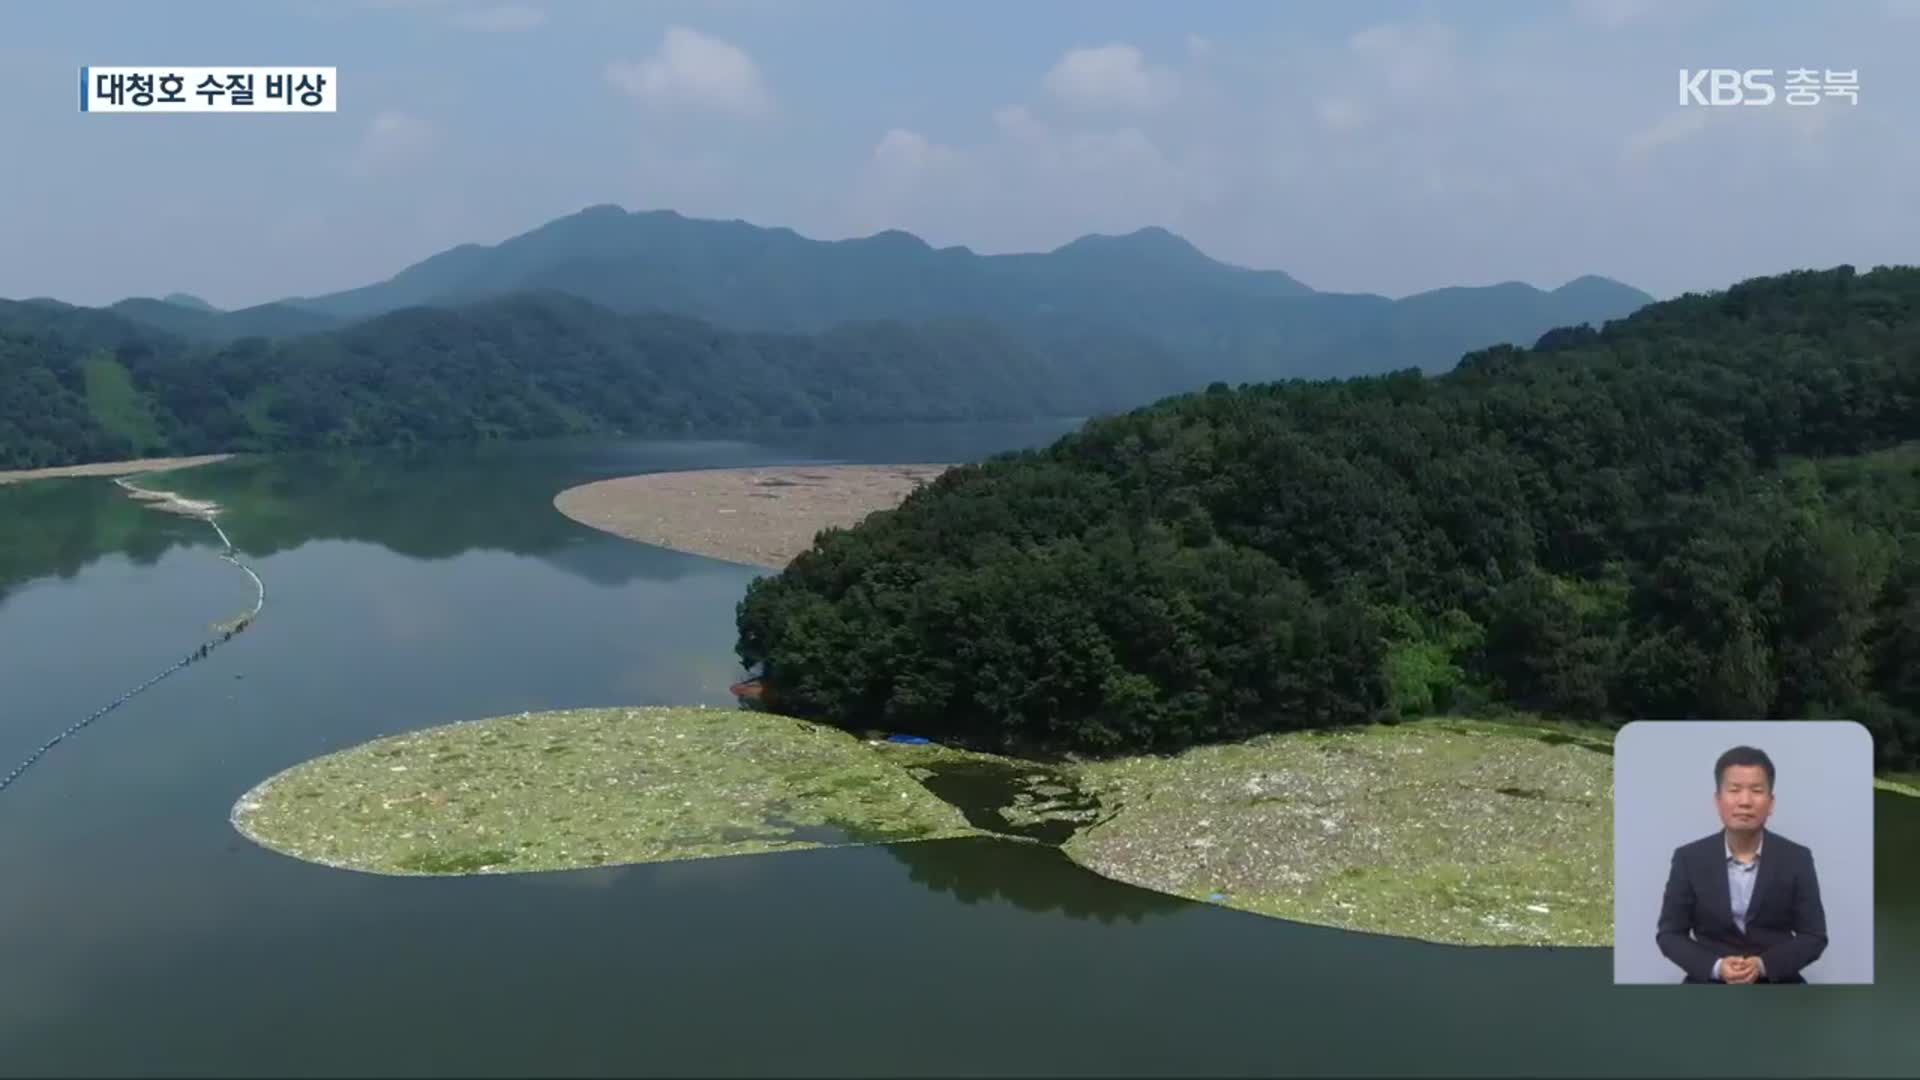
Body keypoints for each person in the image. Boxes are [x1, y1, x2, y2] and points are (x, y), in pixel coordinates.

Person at [1655, 745, 1828, 984]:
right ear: (1718, 800)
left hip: (1778, 989)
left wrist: (1763, 965)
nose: (1745, 801)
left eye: (1756, 791)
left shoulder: (1797, 858)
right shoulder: (1689, 858)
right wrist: (1716, 967)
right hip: (1709, 986)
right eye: (1734, 790)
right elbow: (1670, 934)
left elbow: (1814, 936)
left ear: (1771, 802)